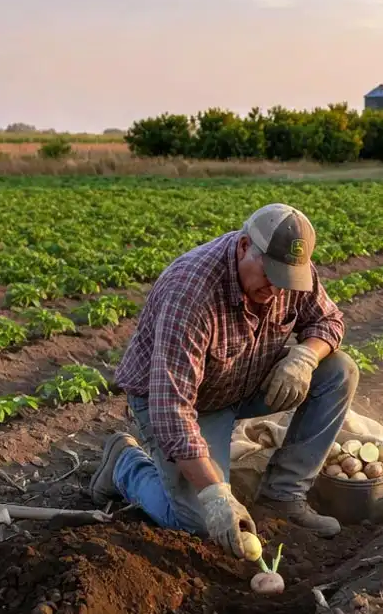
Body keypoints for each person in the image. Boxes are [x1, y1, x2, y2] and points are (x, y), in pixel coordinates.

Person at [88, 203, 358, 560]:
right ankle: (126, 464)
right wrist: (215, 495)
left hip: (246, 379)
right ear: (245, 246)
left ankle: (283, 495)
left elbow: (329, 320)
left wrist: (306, 356)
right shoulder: (191, 293)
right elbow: (173, 412)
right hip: (186, 404)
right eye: (270, 275)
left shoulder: (291, 273)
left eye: (287, 279)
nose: (278, 290)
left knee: (338, 371)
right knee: (199, 523)